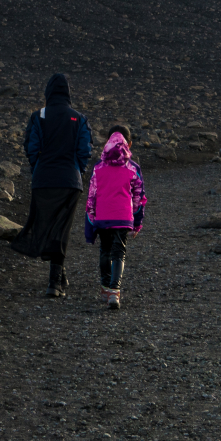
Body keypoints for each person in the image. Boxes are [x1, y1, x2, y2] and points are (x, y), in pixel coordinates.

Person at [12, 72, 92, 297]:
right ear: (68, 93)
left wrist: (38, 168)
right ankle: (55, 280)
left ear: (48, 92)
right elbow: (85, 149)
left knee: (46, 224)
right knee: (61, 228)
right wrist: (78, 169)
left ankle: (57, 277)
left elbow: (31, 146)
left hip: (43, 181)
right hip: (69, 182)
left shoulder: (39, 116)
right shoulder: (78, 117)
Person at [83, 125, 146, 309]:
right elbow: (139, 198)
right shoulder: (133, 168)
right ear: (130, 144)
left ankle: (105, 287)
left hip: (103, 217)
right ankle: (114, 291)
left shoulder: (98, 168)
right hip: (124, 218)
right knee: (119, 252)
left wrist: (92, 219)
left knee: (105, 250)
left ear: (108, 142)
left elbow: (91, 197)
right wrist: (137, 223)